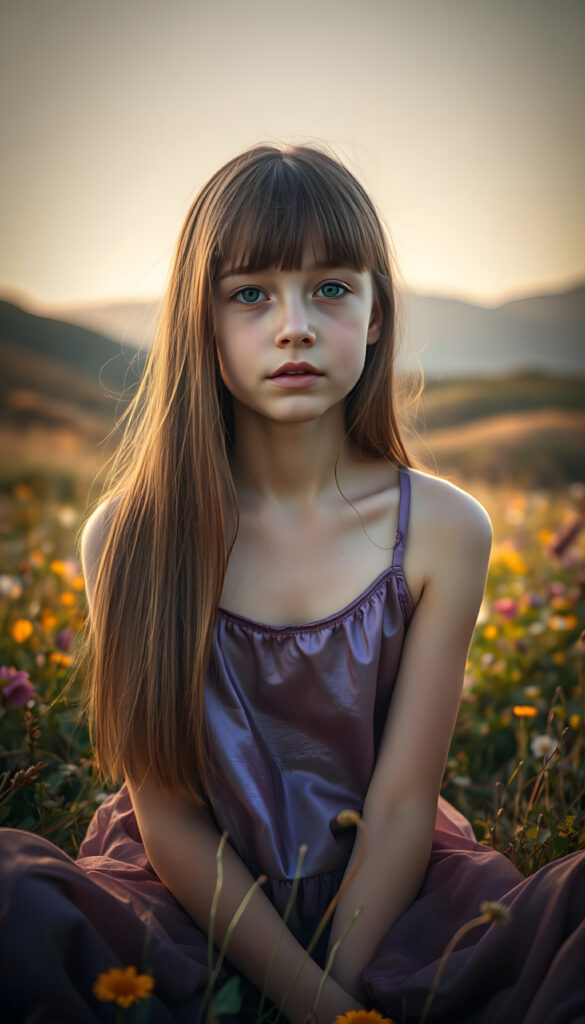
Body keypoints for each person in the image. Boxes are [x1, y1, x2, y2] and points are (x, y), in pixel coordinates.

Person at [0, 142, 583, 1024]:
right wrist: (311, 1009)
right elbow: (171, 819)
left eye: (331, 290)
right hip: (185, 900)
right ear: (202, 321)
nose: (294, 326)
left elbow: (397, 805)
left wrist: (338, 993)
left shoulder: (441, 528)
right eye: (250, 294)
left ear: (377, 312)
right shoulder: (128, 535)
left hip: (390, 894)